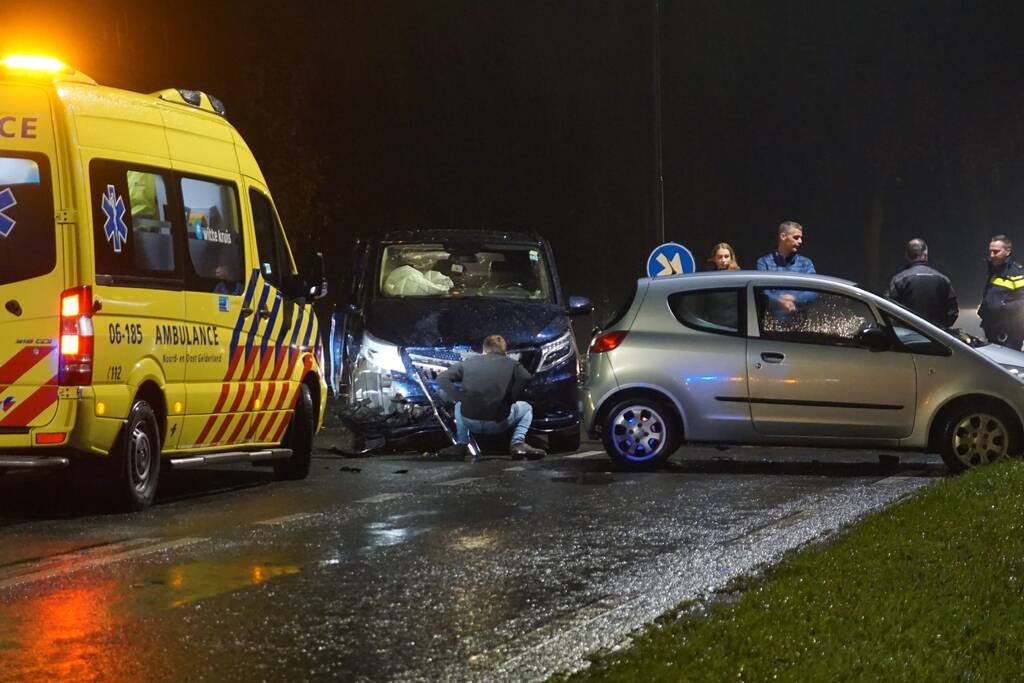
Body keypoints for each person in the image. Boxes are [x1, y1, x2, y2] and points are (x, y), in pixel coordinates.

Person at [436, 334, 545, 460]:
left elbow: (442, 378)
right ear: (504, 351)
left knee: (459, 406)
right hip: (499, 423)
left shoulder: (468, 362)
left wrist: (460, 397)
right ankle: (517, 443)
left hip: (469, 421)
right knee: (526, 408)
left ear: (483, 350)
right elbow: (526, 377)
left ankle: (462, 444)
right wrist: (511, 398)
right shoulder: (512, 364)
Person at [884, 238, 958, 327]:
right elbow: (953, 311)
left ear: (907, 256)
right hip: (937, 336)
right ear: (926, 255)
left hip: (907, 337)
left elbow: (887, 309)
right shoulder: (943, 279)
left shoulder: (898, 280)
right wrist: (942, 328)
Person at [755, 221, 816, 316]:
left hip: (799, 324)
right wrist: (780, 301)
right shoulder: (764, 263)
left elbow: (813, 291)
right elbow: (761, 291)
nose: (800, 241)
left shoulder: (806, 263)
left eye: (801, 238)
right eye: (796, 237)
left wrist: (794, 298)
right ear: (783, 237)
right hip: (769, 324)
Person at [979, 234, 1024, 350]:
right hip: (993, 328)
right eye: (990, 251)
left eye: (996, 251)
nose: (992, 255)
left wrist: (1002, 307)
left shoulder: (1016, 273)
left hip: (1009, 333)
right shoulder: (995, 271)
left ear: (1007, 252)